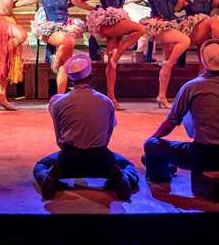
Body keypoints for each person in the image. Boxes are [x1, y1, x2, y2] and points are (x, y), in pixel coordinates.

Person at [143, 40, 219, 182]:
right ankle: (167, 165)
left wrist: (154, 138)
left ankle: (160, 178)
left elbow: (171, 121)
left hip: (203, 156)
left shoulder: (191, 87)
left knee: (151, 145)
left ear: (203, 60)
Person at [32, 54, 139, 201]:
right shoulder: (106, 102)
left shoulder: (58, 104)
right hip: (101, 158)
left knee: (41, 165)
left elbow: (59, 140)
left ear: (70, 79)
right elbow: (106, 138)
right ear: (91, 76)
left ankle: (50, 179)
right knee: (127, 165)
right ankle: (123, 179)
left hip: (69, 158)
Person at [77, 0, 146, 109]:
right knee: (140, 29)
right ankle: (120, 52)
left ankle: (111, 98)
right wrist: (83, 5)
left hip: (119, 20)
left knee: (112, 64)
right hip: (107, 22)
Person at [14, 0, 90, 95]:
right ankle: (54, 62)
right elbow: (21, 3)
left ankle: (60, 96)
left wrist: (94, 9)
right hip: (48, 28)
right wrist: (3, 3)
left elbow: (78, 2)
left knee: (64, 64)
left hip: (65, 27)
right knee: (69, 41)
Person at [139, 0, 192, 107]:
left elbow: (174, 7)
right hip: (159, 25)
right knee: (185, 40)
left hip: (170, 22)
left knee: (167, 62)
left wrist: (183, 3)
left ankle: (161, 96)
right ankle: (169, 63)